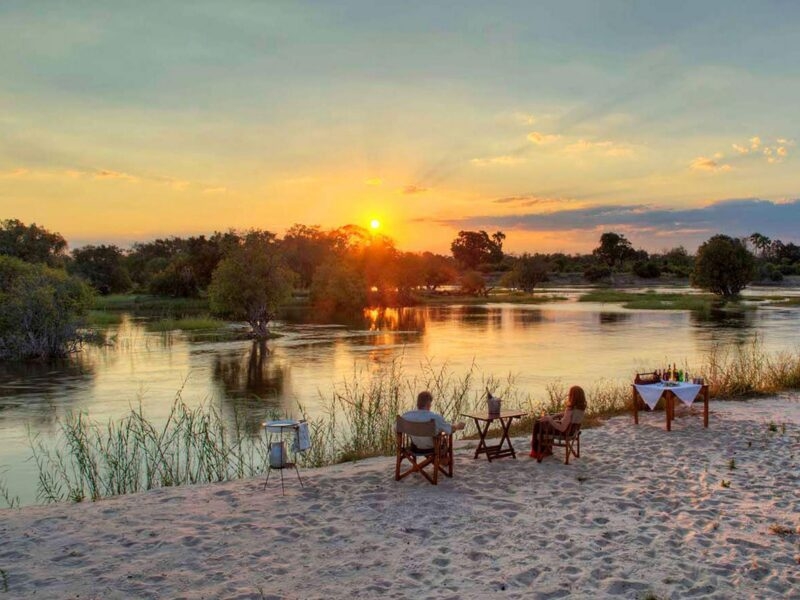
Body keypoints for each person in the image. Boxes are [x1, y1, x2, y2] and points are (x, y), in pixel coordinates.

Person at [530, 385, 587, 458]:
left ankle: (537, 451)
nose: (568, 395)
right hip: (573, 431)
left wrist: (550, 419)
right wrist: (554, 416)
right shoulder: (580, 409)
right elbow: (568, 416)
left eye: (570, 394)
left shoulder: (570, 410)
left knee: (538, 423)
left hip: (563, 433)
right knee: (544, 422)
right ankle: (546, 449)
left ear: (573, 396)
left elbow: (562, 428)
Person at [401, 390, 466, 451]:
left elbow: (395, 428)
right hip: (433, 448)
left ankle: (424, 463)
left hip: (415, 447)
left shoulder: (406, 416)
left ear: (418, 403)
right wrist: (457, 426)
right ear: (429, 404)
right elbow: (449, 429)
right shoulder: (435, 418)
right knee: (443, 439)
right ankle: (443, 461)